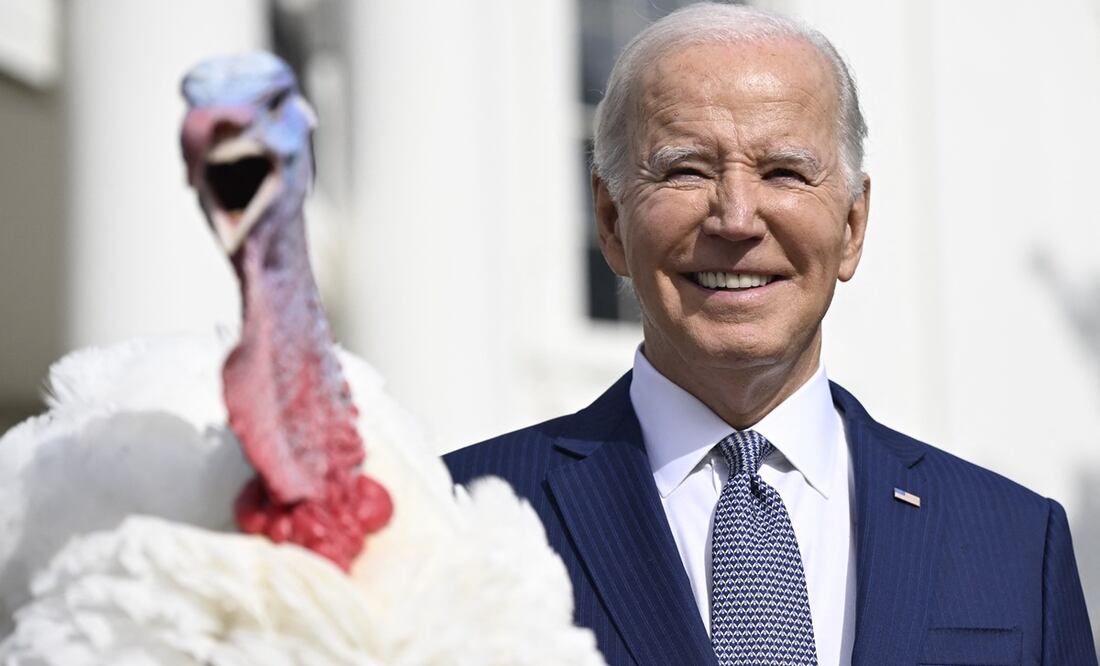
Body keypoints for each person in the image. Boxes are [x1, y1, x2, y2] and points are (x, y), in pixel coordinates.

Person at [445, 3, 1096, 664]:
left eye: (784, 172)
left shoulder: (1014, 544)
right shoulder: (447, 524)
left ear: (852, 227)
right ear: (611, 221)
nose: (736, 218)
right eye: (686, 170)